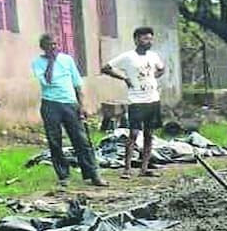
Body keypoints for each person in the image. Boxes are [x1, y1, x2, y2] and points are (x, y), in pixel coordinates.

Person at [32, 34, 107, 189]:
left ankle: (93, 174)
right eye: (49, 45)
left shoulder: (67, 60)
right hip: (50, 104)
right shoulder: (38, 63)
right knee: (55, 141)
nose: (53, 47)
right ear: (43, 47)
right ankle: (63, 176)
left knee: (82, 140)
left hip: (70, 104)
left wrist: (82, 105)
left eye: (55, 44)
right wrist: (51, 62)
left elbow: (77, 84)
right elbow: (47, 81)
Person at [102, 27, 165, 179]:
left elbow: (162, 69)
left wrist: (152, 78)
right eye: (145, 39)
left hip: (153, 100)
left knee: (149, 135)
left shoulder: (153, 56)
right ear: (136, 40)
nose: (148, 42)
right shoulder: (128, 57)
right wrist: (125, 78)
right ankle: (127, 169)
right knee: (133, 135)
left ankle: (144, 168)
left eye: (150, 39)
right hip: (136, 101)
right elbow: (106, 68)